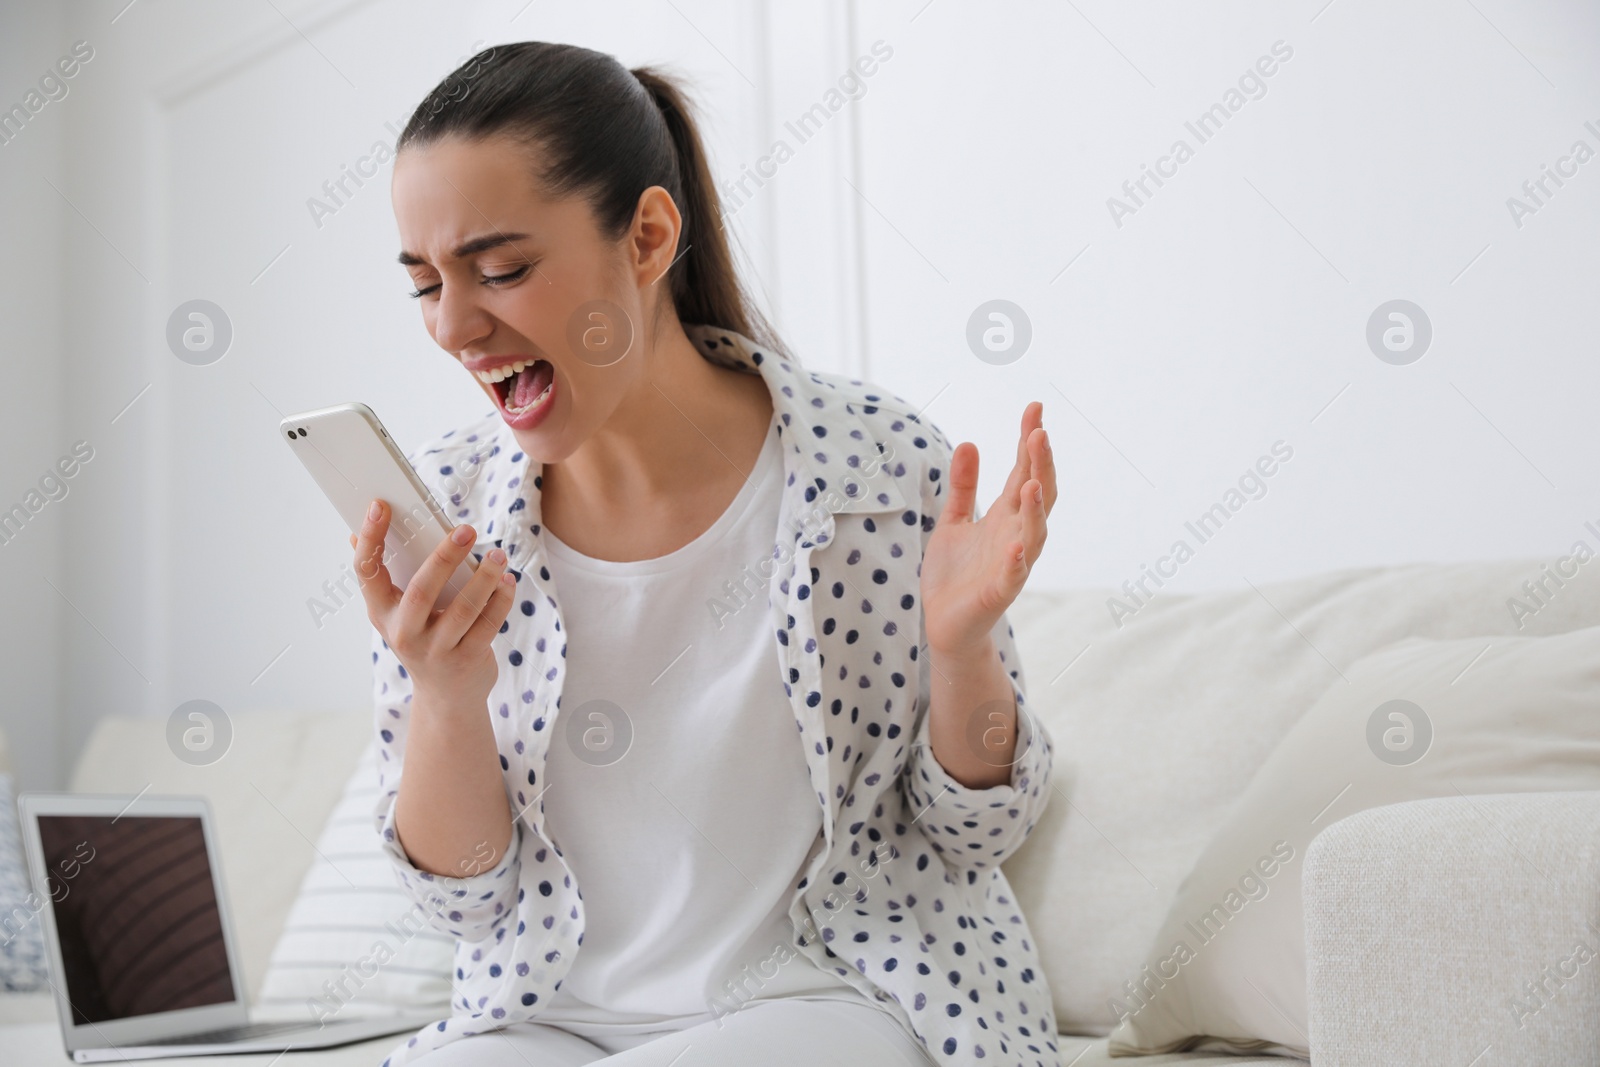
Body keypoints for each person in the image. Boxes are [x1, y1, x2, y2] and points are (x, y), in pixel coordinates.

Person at [349, 40, 1062, 1067]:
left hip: (826, 995)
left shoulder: (873, 467)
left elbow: (974, 834)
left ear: (646, 236)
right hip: (539, 1017)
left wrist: (961, 649)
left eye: (501, 269)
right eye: (424, 282)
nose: (456, 327)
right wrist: (445, 694)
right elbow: (462, 899)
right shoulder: (449, 507)